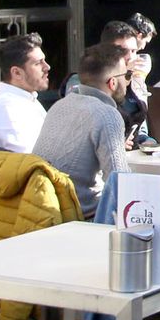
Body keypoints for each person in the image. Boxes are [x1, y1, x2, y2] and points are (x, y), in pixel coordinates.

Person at [31, 42, 133, 219]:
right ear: (113, 82)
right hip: (80, 215)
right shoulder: (107, 115)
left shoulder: (59, 105)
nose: (129, 81)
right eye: (128, 75)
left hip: (41, 208)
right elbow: (120, 183)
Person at [0, 33, 49, 154]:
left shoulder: (24, 98)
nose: (47, 67)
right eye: (38, 63)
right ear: (16, 73)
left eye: (44, 61)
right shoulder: (7, 108)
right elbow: (30, 160)